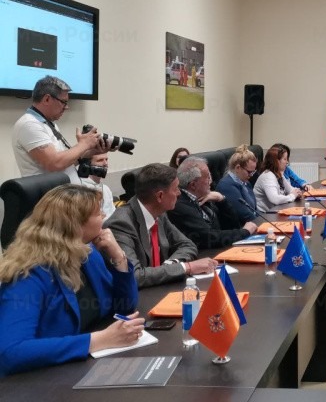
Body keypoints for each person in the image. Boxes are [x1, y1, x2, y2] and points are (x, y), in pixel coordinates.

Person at [0, 184, 142, 376]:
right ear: (75, 225)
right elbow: (10, 352)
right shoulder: (27, 275)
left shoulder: (87, 254)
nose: (103, 216)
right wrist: (99, 340)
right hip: (42, 380)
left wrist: (118, 257)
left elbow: (124, 307)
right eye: (97, 213)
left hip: (81, 368)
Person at [105, 163, 214, 287]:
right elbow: (135, 276)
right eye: (176, 189)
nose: (179, 193)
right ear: (160, 196)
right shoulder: (120, 224)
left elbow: (187, 245)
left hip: (160, 287)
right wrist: (186, 267)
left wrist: (171, 265)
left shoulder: (159, 212)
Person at [12, 75, 109, 183]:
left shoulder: (48, 124)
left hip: (64, 190)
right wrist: (84, 144)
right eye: (63, 102)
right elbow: (54, 164)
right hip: (49, 192)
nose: (66, 107)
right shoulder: (29, 124)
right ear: (47, 99)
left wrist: (91, 151)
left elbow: (64, 163)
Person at [169, 157, 257, 249]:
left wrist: (222, 200)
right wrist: (245, 232)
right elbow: (210, 237)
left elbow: (233, 225)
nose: (210, 180)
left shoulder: (205, 196)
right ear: (193, 185)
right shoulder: (179, 205)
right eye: (207, 177)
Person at [216, 145, 260, 225]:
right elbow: (244, 215)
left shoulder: (246, 182)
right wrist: (262, 224)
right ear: (238, 168)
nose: (251, 175)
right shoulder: (226, 186)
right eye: (249, 172)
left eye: (253, 172)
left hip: (251, 224)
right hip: (239, 228)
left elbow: (254, 210)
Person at [254, 146, 304, 212]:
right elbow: (275, 199)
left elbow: (290, 189)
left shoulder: (278, 173)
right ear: (276, 161)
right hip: (265, 215)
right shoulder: (268, 176)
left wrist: (297, 192)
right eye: (285, 159)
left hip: (276, 211)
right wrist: (292, 196)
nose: (287, 162)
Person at [78, 152, 117, 219]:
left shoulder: (106, 189)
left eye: (106, 159)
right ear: (87, 165)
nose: (105, 163)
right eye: (100, 160)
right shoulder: (82, 189)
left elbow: (113, 214)